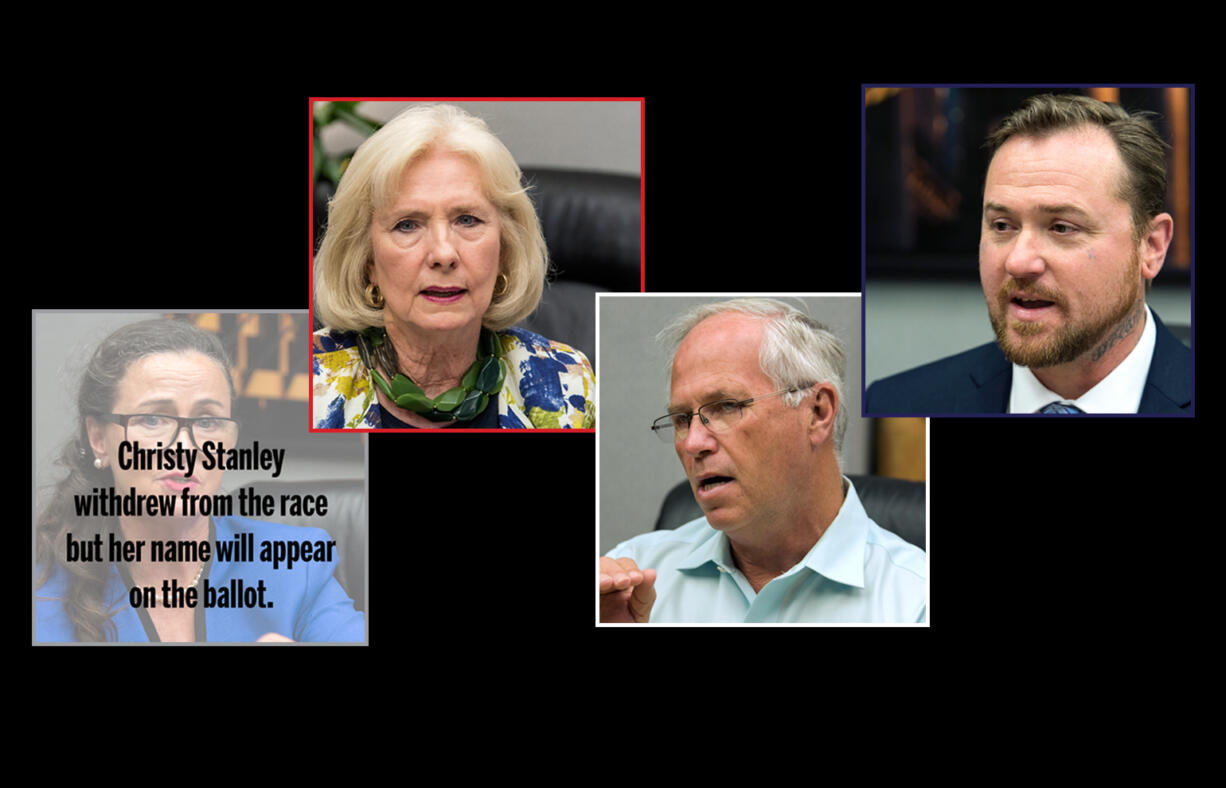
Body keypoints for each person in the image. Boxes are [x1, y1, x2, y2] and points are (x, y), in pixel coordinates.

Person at [35, 319, 364, 642]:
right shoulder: (44, 597)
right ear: (98, 439)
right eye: (153, 419)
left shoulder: (298, 564)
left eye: (207, 421)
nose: (184, 448)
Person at [599, 299, 926, 624]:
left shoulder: (914, 601)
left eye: (727, 406)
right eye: (683, 418)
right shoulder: (631, 578)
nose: (693, 442)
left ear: (817, 412)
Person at [866, 93, 1191, 415]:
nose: (1018, 262)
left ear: (1151, 247)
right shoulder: (897, 404)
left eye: (1061, 228)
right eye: (1003, 225)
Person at [312, 103, 595, 429]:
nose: (444, 253)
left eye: (467, 220)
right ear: (367, 261)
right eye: (407, 225)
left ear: (504, 249)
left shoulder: (567, 383)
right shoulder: (301, 389)